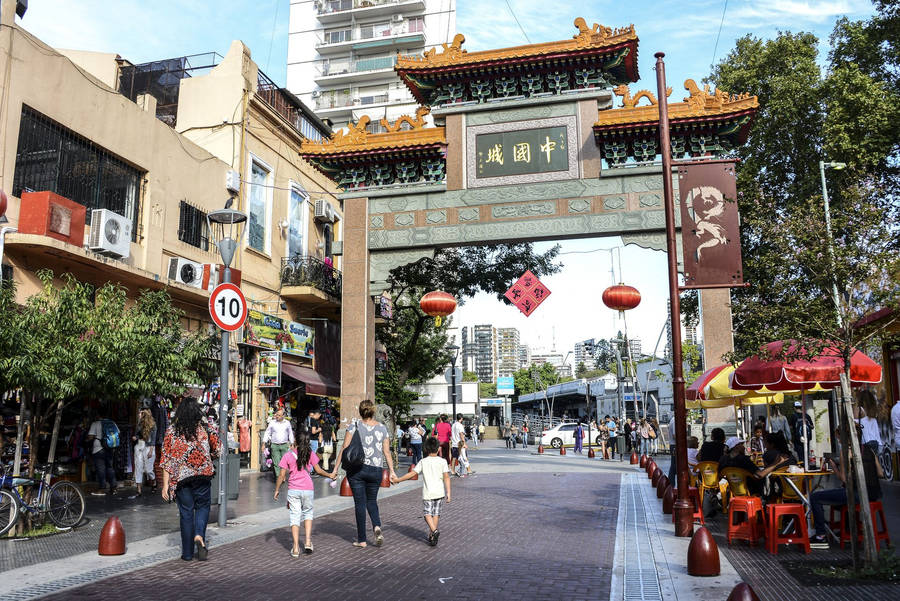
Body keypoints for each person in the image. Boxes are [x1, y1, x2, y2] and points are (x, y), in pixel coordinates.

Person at [160, 399, 221, 562]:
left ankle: (187, 553)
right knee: (202, 506)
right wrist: (207, 458)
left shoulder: (172, 431)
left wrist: (165, 485)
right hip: (203, 476)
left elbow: (166, 458)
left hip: (181, 478)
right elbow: (218, 450)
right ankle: (199, 535)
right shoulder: (207, 429)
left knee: (186, 513)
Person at [331, 400, 396, 548]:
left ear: (360, 411)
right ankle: (377, 526)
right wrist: (391, 471)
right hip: (376, 470)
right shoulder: (382, 428)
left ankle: (362, 540)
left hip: (357, 470)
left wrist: (335, 469)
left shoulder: (354, 425)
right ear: (373, 411)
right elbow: (387, 452)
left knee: (360, 503)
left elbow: (344, 449)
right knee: (372, 501)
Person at [809, 426, 884, 548]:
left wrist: (834, 467)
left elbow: (844, 479)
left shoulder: (847, 452)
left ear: (845, 438)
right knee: (840, 496)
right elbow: (880, 473)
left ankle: (820, 536)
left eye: (839, 438)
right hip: (873, 494)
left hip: (856, 494)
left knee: (815, 497)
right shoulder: (870, 449)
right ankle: (848, 530)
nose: (838, 441)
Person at [273, 431, 332, 556]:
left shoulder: (288, 455)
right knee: (308, 514)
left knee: (295, 516)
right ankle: (308, 542)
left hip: (293, 490)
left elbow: (281, 475)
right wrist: (330, 475)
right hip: (308, 489)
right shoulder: (310, 454)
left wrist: (277, 489)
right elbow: (319, 470)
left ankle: (295, 548)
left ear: (295, 441)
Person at [392, 436, 451, 546]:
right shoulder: (442, 461)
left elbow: (412, 473)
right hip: (439, 492)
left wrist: (398, 480)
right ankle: (432, 535)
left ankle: (434, 531)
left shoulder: (423, 461)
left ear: (426, 449)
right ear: (438, 449)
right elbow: (447, 477)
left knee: (427, 514)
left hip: (428, 493)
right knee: (436, 514)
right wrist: (448, 492)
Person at [718, 437, 790, 497]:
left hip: (733, 493)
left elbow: (719, 477)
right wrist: (776, 463)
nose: (744, 447)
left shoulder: (723, 460)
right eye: (742, 444)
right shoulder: (744, 459)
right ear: (736, 447)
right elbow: (760, 475)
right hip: (750, 492)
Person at [87, 410, 119, 496]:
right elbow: (117, 433)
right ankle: (114, 488)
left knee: (101, 469)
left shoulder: (95, 423)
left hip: (98, 449)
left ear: (98, 415)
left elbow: (90, 437)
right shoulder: (112, 422)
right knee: (110, 468)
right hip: (110, 448)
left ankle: (102, 489)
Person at [131, 408, 157, 498]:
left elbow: (153, 439)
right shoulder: (139, 424)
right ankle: (139, 490)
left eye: (140, 414)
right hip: (139, 446)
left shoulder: (153, 425)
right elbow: (138, 434)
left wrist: (150, 451)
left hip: (149, 447)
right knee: (138, 467)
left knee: (148, 470)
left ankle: (154, 482)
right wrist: (136, 437)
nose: (138, 415)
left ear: (144, 415)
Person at [263, 410, 294, 479]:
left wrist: (292, 443)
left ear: (283, 416)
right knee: (276, 463)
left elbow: (290, 433)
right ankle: (279, 477)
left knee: (284, 463)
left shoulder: (287, 423)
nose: (277, 416)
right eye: (276, 415)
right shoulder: (272, 423)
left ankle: (282, 475)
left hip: (284, 445)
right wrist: (264, 443)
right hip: (275, 445)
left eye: (279, 415)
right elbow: (267, 433)